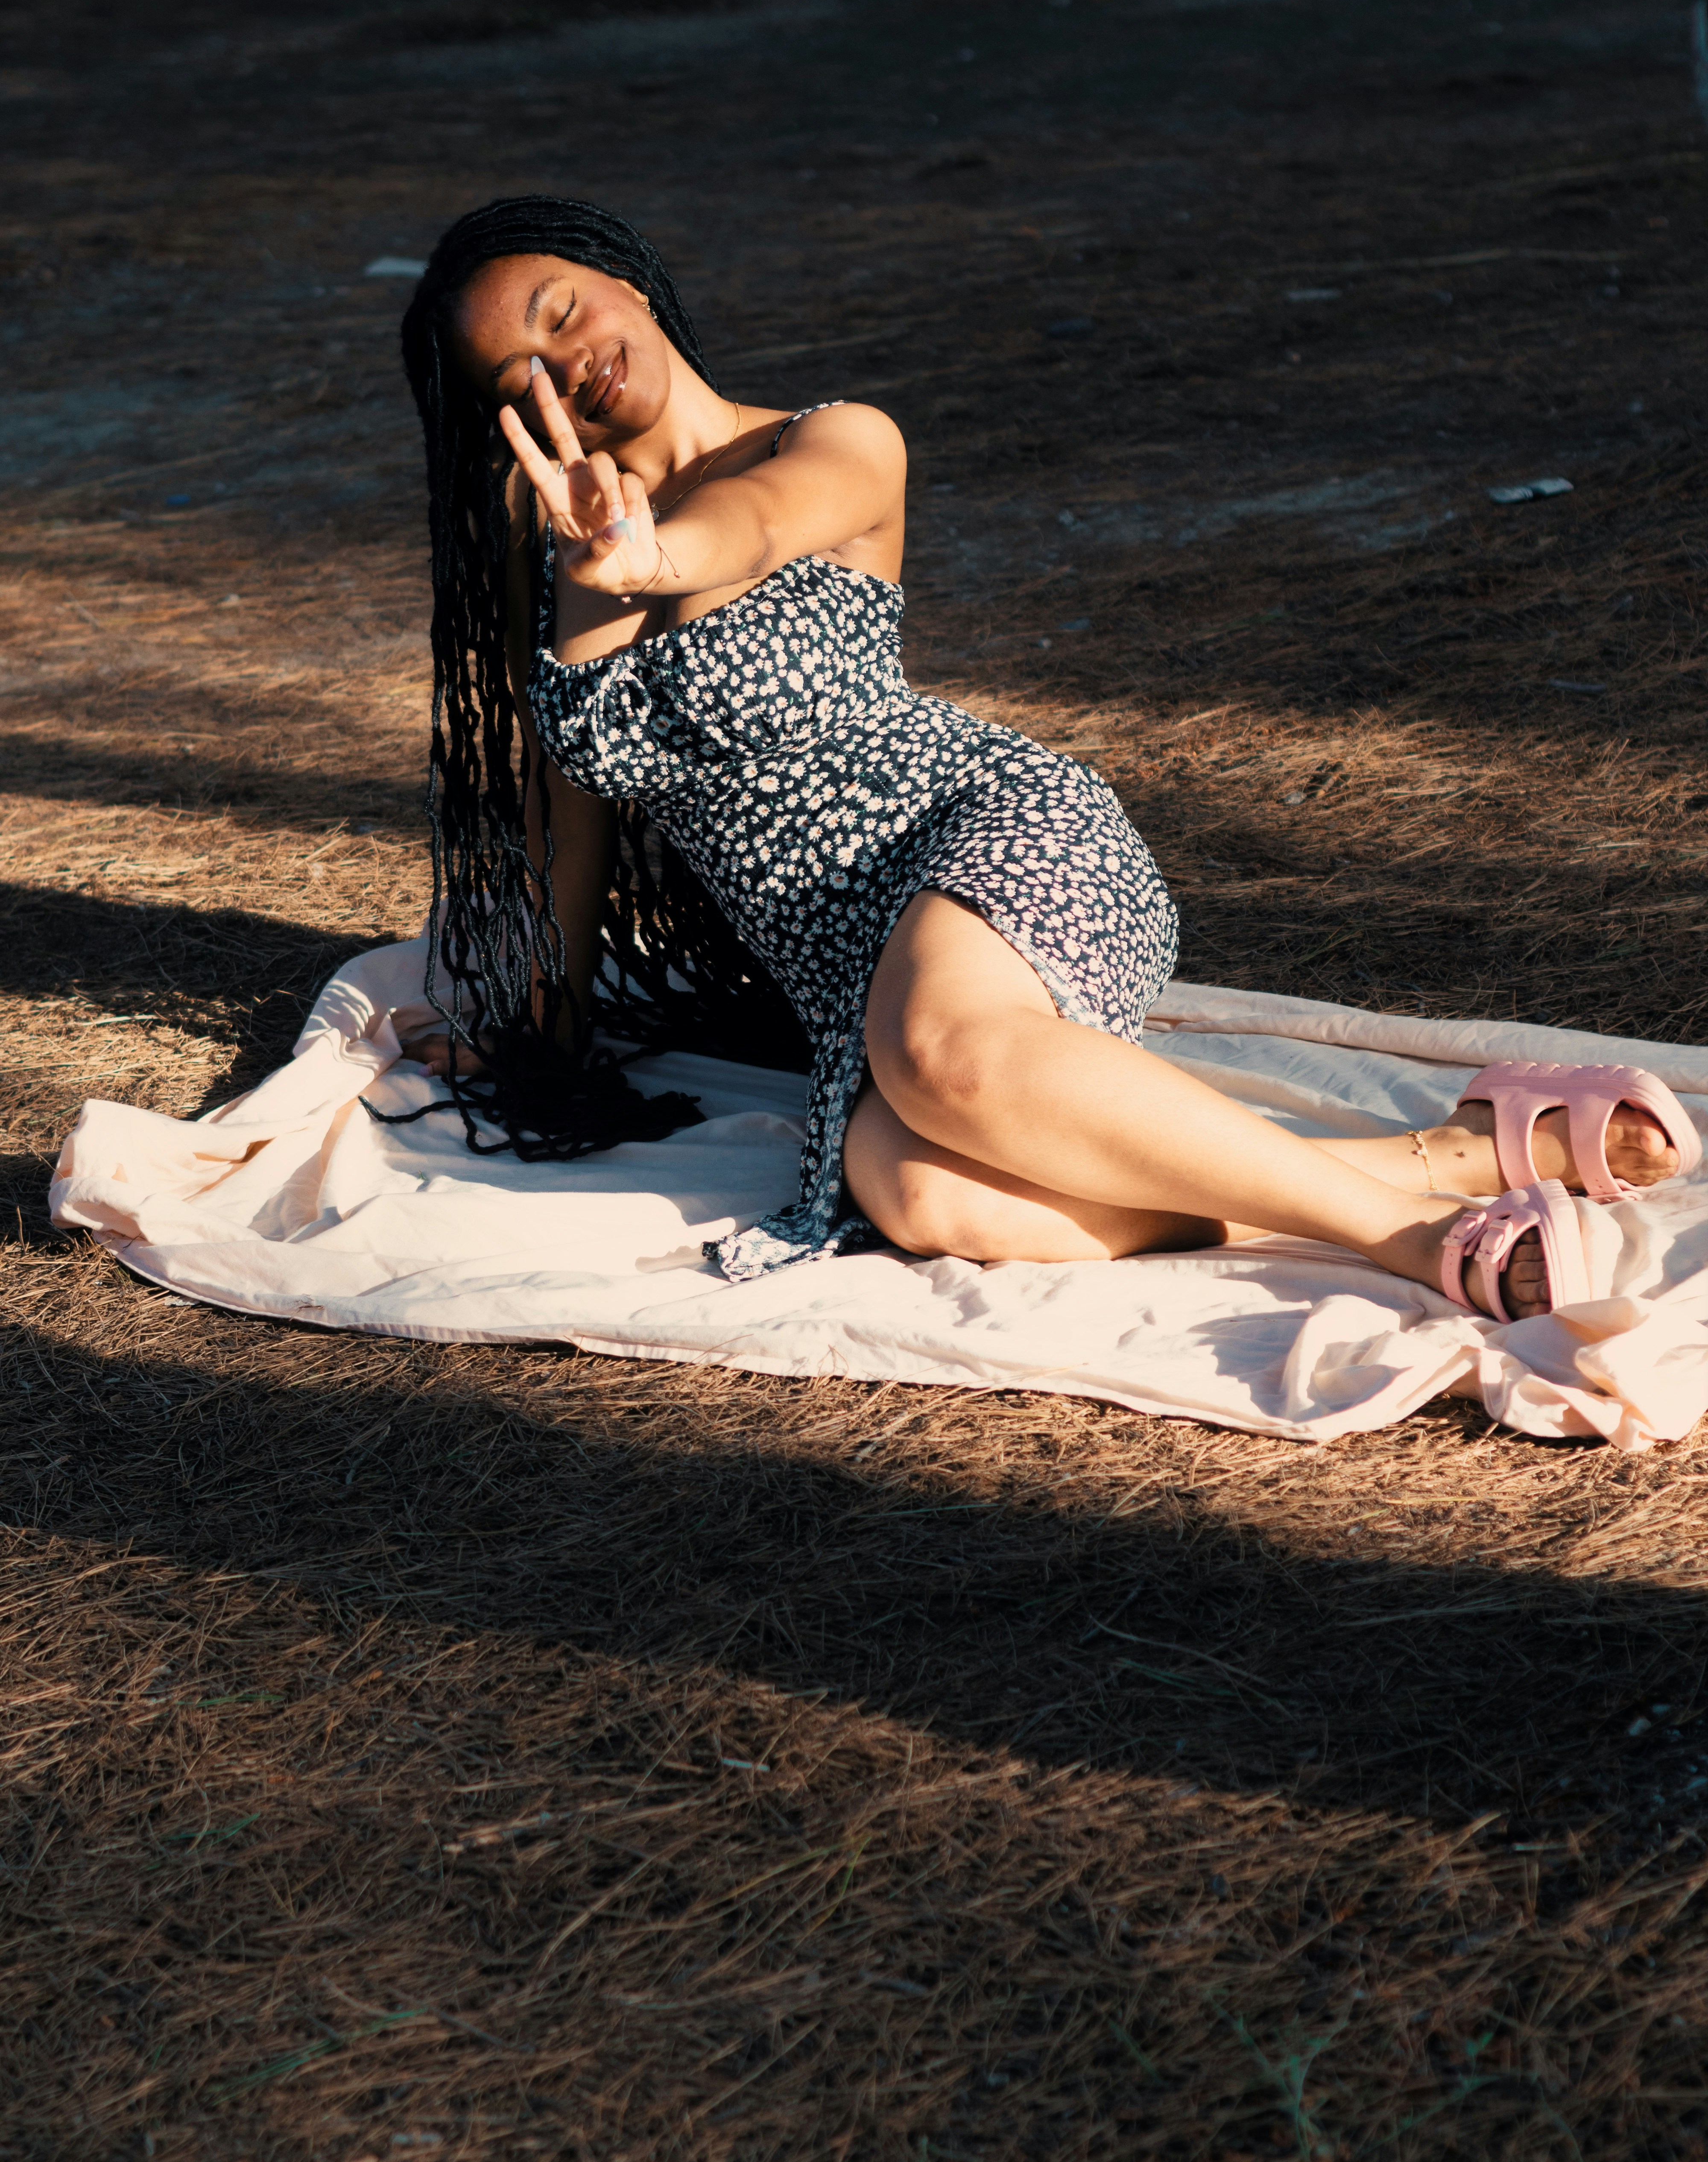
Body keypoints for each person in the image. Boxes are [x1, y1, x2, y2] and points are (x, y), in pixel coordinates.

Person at [398, 196, 1697, 1324]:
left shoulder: (832, 442)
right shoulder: (563, 538)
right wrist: (550, 1018)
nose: (566, 368)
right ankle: (1434, 1163)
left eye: (563, 314)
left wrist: (654, 559)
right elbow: (569, 799)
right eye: (523, 381)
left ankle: (1405, 1245)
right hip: (864, 969)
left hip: (994, 837)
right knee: (911, 1189)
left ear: (621, 273)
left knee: (943, 1054)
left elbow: (745, 528)